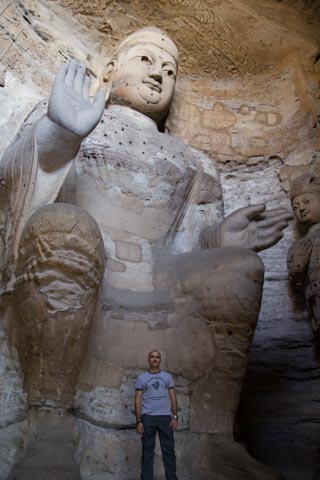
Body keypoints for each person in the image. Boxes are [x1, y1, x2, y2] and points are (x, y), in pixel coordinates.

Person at [135, 350, 178, 480]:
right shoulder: (142, 378)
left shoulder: (167, 377)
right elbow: (137, 399)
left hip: (165, 417)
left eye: (157, 357)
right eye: (152, 357)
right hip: (148, 417)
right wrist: (139, 421)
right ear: (148, 360)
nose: (155, 359)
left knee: (169, 451)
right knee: (147, 451)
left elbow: (173, 397)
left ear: (160, 360)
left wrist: (175, 417)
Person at [288, 173, 320, 334]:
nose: (301, 208)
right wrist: (298, 268)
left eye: (307, 201)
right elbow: (297, 284)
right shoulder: (298, 246)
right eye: (295, 206)